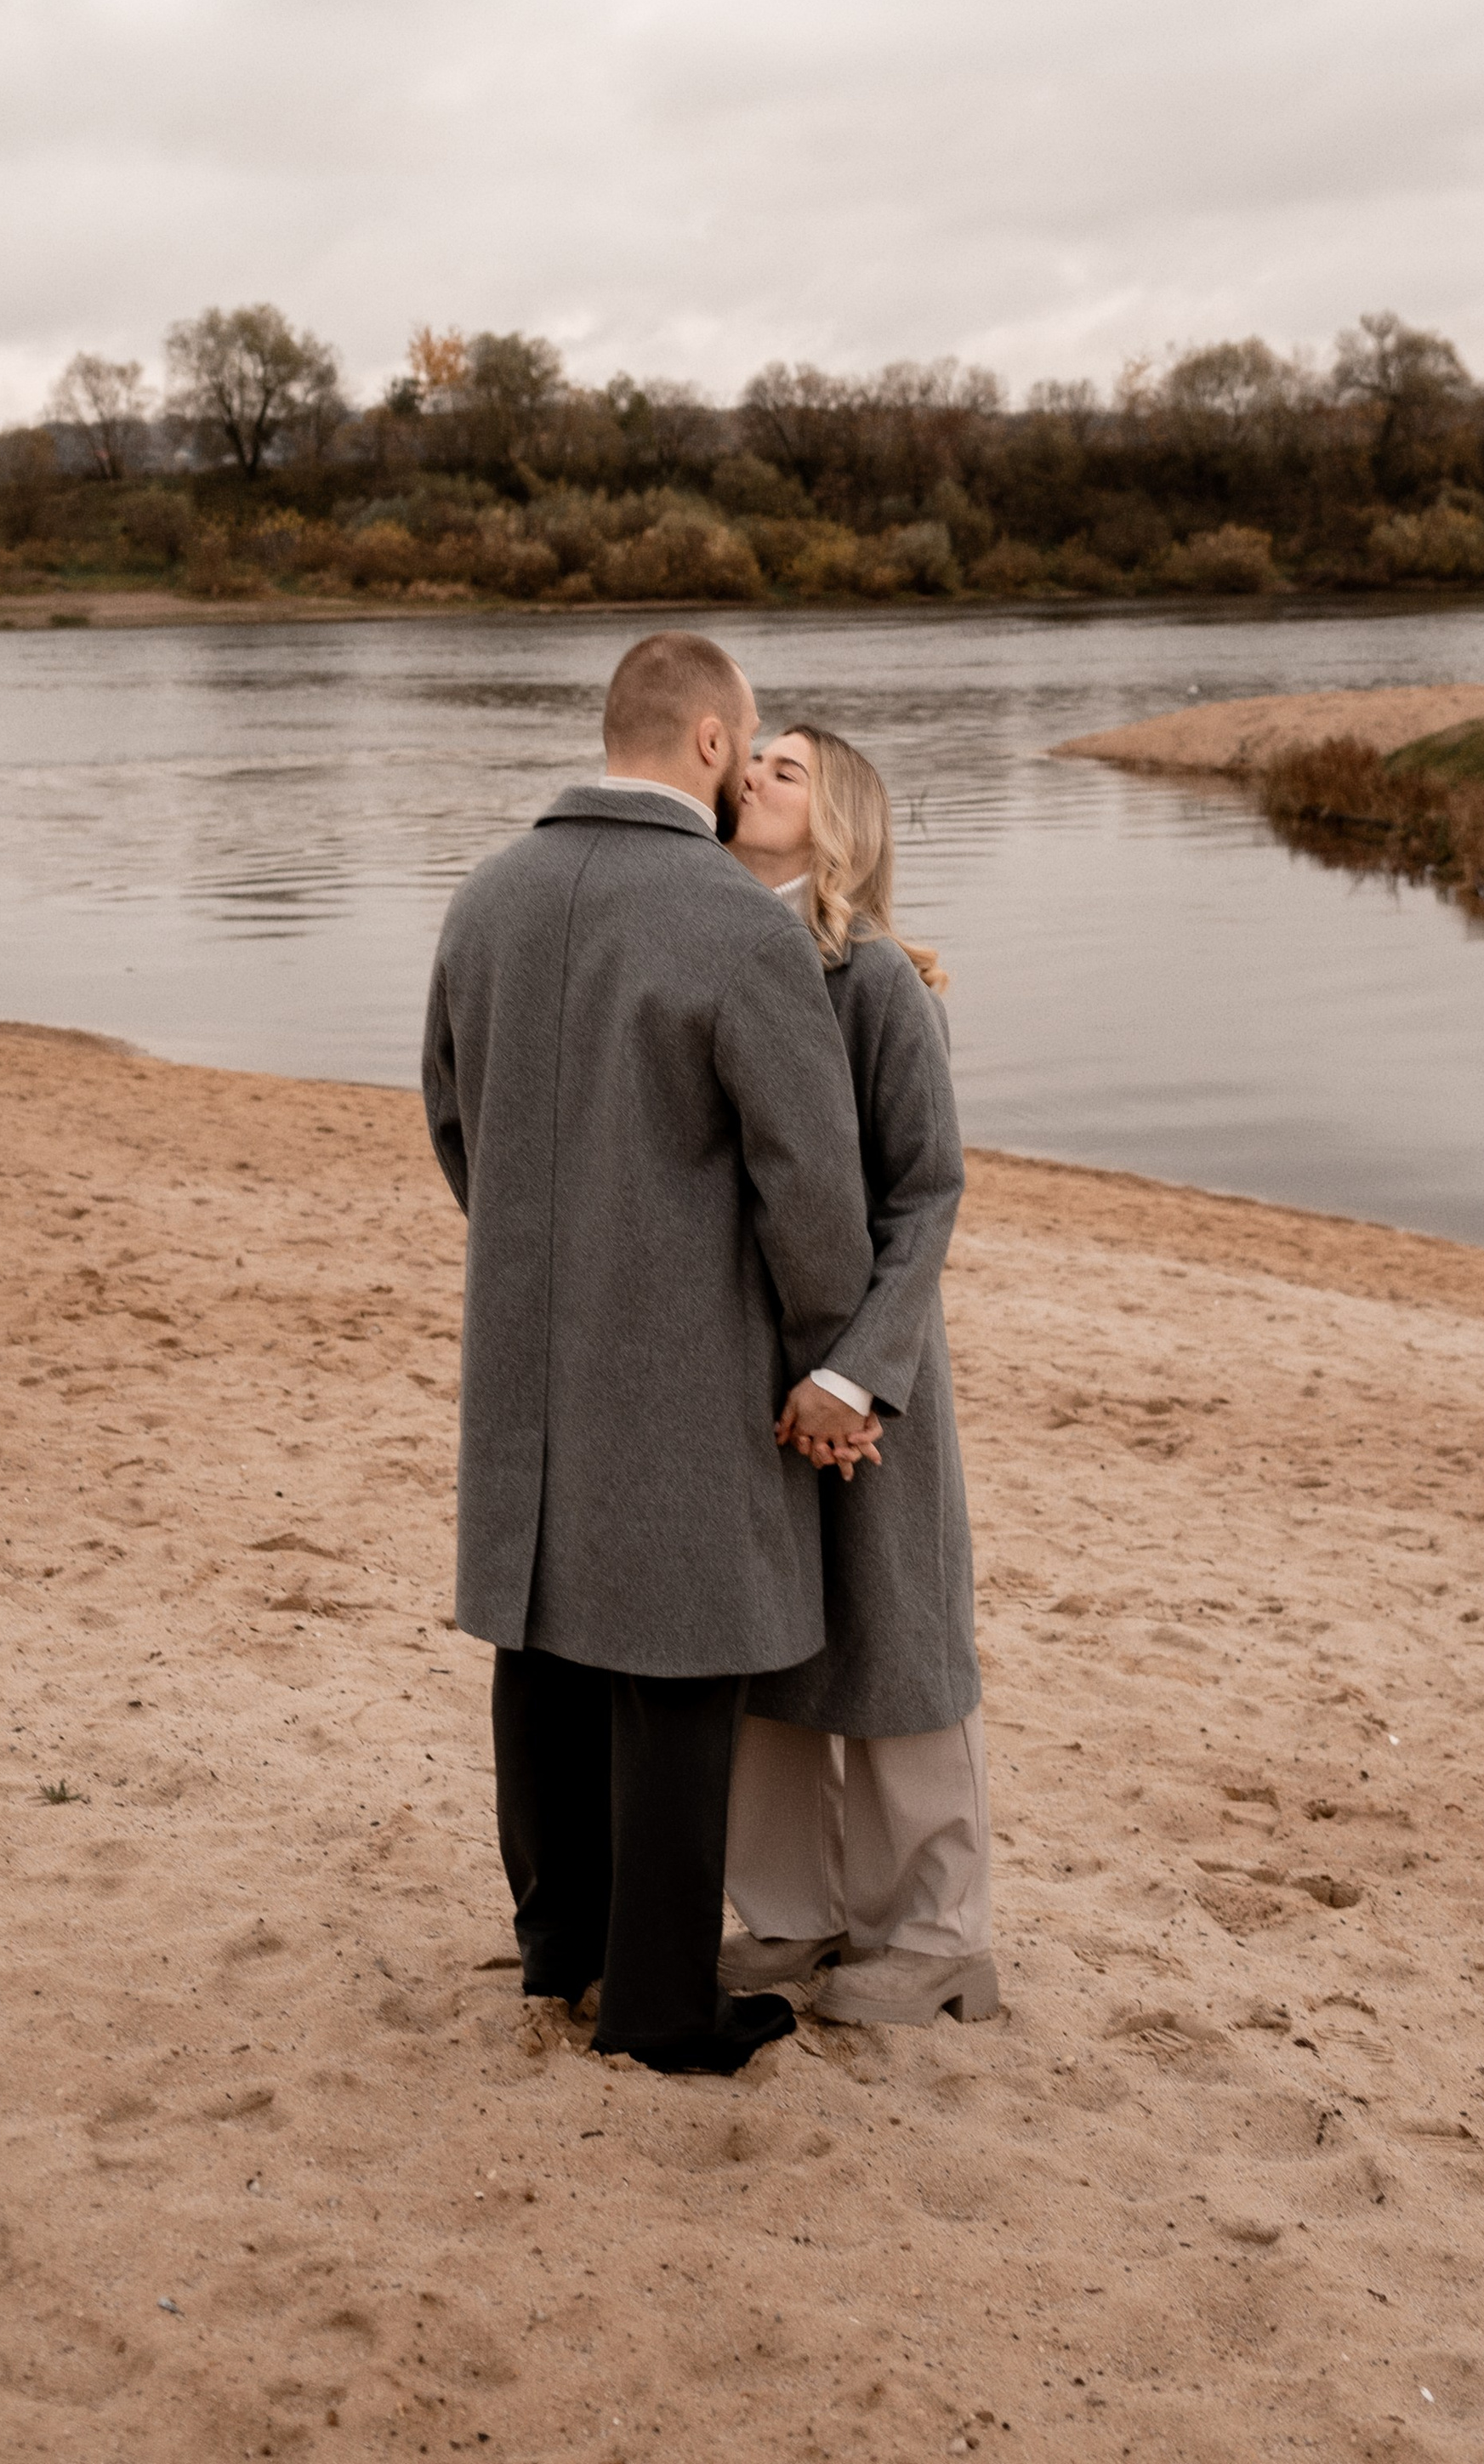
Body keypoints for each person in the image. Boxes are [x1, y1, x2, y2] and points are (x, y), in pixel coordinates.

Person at [421, 634, 878, 2075]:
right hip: (686, 1355)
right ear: (707, 744)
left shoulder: (485, 897)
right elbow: (812, 1190)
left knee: (543, 1642)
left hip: (526, 1344)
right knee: (679, 1668)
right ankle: (663, 2005)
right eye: (748, 745)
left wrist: (540, 1258)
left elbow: (454, 1120)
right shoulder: (736, 926)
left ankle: (562, 1951)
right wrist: (829, 1351)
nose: (750, 774)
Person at [719, 724, 997, 2025]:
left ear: (841, 824)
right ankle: (791, 1919)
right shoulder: (713, 947)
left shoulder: (877, 981)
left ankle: (937, 1939)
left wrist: (854, 1378)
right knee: (768, 1649)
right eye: (750, 760)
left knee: (898, 1646)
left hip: (873, 1386)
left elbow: (927, 1194)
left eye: (786, 770)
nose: (753, 775)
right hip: (745, 1371)